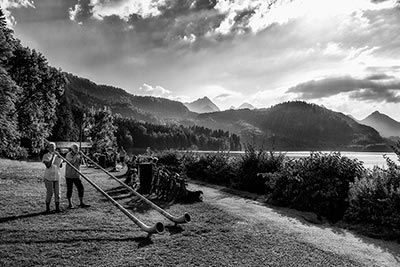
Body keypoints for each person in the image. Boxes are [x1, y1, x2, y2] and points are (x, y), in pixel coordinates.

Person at [65, 143, 90, 208]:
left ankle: (81, 203)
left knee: (81, 188)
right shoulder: (68, 155)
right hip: (69, 175)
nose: (77, 149)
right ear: (72, 149)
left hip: (77, 175)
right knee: (70, 189)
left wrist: (82, 157)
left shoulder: (78, 155)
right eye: (76, 148)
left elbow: (82, 163)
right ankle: (70, 204)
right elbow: (72, 162)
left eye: (78, 148)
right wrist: (76, 155)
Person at [42, 142, 63, 213]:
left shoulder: (58, 155)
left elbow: (60, 166)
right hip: (49, 177)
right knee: (49, 193)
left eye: (53, 147)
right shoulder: (45, 156)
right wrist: (53, 157)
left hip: (57, 177)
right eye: (51, 147)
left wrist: (59, 157)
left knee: (58, 193)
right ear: (48, 148)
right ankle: (47, 209)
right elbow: (48, 165)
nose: (52, 148)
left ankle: (57, 208)